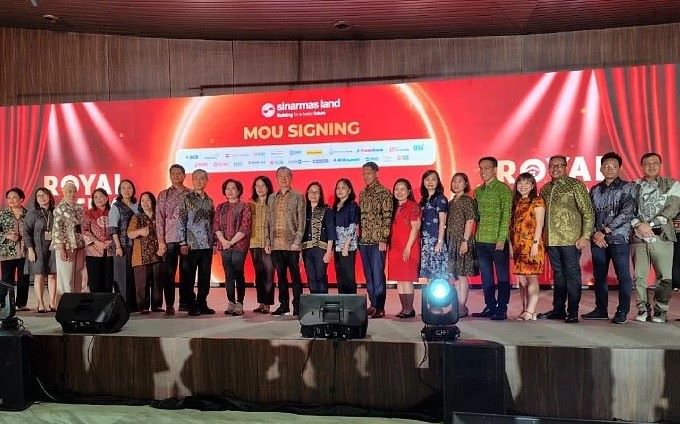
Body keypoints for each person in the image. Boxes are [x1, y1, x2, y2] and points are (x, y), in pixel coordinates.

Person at [537, 155, 594, 324]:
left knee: (572, 275)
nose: (555, 168)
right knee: (558, 275)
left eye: (559, 165)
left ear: (566, 167)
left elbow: (587, 212)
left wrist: (585, 236)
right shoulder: (545, 188)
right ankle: (558, 310)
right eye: (552, 166)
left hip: (571, 240)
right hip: (551, 240)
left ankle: (573, 311)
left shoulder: (575, 185)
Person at [582, 152, 636, 324]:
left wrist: (604, 231)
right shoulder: (595, 190)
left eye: (613, 166)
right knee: (599, 276)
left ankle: (622, 311)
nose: (609, 169)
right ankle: (601, 309)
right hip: (598, 240)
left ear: (619, 168)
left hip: (619, 239)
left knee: (623, 275)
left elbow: (626, 213)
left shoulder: (628, 187)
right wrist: (595, 234)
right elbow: (590, 214)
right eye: (606, 166)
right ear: (601, 169)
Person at [630, 152, 680, 323]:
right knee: (639, 277)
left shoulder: (672, 184)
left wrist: (649, 225)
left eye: (655, 163)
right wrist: (638, 225)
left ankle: (661, 310)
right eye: (647, 163)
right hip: (638, 237)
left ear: (660, 165)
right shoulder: (634, 186)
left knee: (664, 276)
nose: (651, 166)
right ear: (641, 166)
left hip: (663, 236)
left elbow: (672, 209)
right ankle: (642, 309)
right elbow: (628, 209)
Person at [471, 157, 513, 321]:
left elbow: (506, 215)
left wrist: (502, 238)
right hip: (481, 240)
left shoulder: (503, 189)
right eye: (481, 168)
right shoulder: (478, 191)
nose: (483, 171)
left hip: (497, 240)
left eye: (487, 168)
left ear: (495, 169)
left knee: (502, 276)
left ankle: (502, 309)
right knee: (486, 277)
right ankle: (490, 306)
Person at [266, 166, 306, 316]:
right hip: (276, 245)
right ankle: (283, 305)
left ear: (291, 177)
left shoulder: (298, 196)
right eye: (280, 176)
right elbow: (268, 221)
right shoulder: (271, 198)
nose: (283, 179)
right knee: (281, 277)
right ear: (276, 178)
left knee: (295, 277)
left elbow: (301, 221)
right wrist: (267, 241)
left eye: (286, 176)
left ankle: (298, 306)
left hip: (292, 245)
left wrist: (297, 241)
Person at [179, 169, 216, 316]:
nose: (199, 181)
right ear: (192, 180)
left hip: (206, 245)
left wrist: (214, 243)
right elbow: (181, 221)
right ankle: (191, 305)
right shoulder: (186, 199)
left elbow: (213, 223)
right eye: (196, 178)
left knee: (205, 277)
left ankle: (202, 303)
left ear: (206, 181)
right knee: (189, 277)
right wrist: (182, 242)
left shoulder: (209, 201)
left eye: (202, 178)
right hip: (191, 245)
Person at [358, 162, 393, 319]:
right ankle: (372, 304)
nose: (365, 176)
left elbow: (387, 216)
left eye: (368, 173)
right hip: (364, 240)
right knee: (369, 275)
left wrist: (384, 238)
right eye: (363, 174)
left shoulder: (384, 192)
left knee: (378, 274)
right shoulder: (362, 193)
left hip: (378, 240)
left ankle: (380, 306)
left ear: (376, 173)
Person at [509, 172, 545, 321]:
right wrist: (511, 246)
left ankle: (530, 311)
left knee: (531, 278)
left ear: (532, 186)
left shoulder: (537, 201)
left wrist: (535, 244)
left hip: (532, 245)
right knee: (522, 281)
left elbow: (540, 224)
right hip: (518, 246)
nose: (522, 186)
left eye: (526, 183)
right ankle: (525, 310)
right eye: (520, 183)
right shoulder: (516, 203)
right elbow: (512, 227)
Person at [156, 164, 190, 315]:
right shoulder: (164, 195)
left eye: (179, 173)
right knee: (168, 273)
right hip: (169, 239)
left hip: (187, 240)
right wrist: (161, 241)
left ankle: (185, 303)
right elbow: (159, 219)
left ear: (184, 175)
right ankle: (169, 304)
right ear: (170, 176)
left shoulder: (191, 194)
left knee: (186, 272)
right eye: (173, 173)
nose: (176, 176)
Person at [214, 179, 251, 316]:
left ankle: (239, 304)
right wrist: (224, 241)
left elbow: (245, 227)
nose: (229, 191)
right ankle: (231, 302)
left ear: (239, 191)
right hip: (224, 245)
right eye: (227, 188)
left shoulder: (244, 206)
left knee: (238, 273)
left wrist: (231, 242)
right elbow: (216, 225)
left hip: (239, 246)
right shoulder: (220, 207)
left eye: (233, 188)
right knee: (228, 275)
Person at [446, 173, 478, 318]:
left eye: (460, 181)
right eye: (454, 181)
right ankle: (457, 305)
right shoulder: (451, 202)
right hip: (452, 241)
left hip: (462, 241)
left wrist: (465, 241)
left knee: (462, 274)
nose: (456, 184)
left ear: (465, 184)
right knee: (456, 275)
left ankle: (462, 306)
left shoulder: (467, 200)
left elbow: (470, 221)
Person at [389, 179, 421, 318]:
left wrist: (408, 247)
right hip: (395, 248)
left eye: (402, 189)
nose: (399, 192)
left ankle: (410, 309)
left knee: (407, 278)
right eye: (396, 189)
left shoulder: (413, 206)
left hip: (409, 246)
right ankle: (404, 308)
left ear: (408, 191)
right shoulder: (394, 207)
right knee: (400, 279)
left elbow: (415, 228)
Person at [22, 187, 57, 312]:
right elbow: (26, 233)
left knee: (53, 275)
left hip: (54, 248)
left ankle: (53, 303)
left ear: (50, 196)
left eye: (44, 195)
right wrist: (30, 249)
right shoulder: (32, 213)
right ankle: (40, 304)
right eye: (39, 196)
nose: (42, 197)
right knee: (40, 275)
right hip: (37, 248)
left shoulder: (56, 212)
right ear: (36, 199)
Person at [127, 192, 163, 314]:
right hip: (141, 255)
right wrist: (140, 231)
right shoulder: (136, 217)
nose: (145, 203)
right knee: (142, 283)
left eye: (147, 200)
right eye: (142, 201)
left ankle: (157, 306)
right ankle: (143, 307)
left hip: (158, 253)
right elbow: (129, 234)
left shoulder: (159, 216)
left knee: (158, 281)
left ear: (152, 201)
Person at [51, 182, 86, 298]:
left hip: (80, 245)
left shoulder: (79, 207)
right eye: (69, 191)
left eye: (74, 191)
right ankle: (65, 303)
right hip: (66, 246)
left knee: (79, 275)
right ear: (64, 192)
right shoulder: (59, 208)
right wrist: (61, 248)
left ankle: (77, 301)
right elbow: (57, 229)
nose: (72, 194)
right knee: (66, 278)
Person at [301, 182, 336, 294]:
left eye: (316, 192)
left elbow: (331, 231)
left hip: (321, 249)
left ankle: (323, 301)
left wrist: (329, 252)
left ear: (320, 195)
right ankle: (315, 302)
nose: (313, 194)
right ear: (307, 194)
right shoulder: (303, 211)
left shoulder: (326, 210)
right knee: (311, 277)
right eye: (311, 191)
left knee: (321, 276)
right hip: (306, 249)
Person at [109, 179, 139, 310]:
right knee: (121, 276)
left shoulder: (137, 205)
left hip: (136, 245)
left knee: (133, 275)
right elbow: (113, 228)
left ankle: (134, 305)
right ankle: (122, 305)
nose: (127, 190)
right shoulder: (116, 207)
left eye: (129, 188)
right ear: (120, 191)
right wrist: (118, 246)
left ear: (133, 189)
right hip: (122, 245)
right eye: (124, 188)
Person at [0, 188, 29, 311]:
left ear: (21, 199)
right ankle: (5, 304)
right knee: (7, 278)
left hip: (25, 251)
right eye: (9, 198)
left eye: (14, 197)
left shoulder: (28, 214)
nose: (11, 200)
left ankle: (21, 304)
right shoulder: (3, 214)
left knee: (24, 278)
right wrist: (7, 235)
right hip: (7, 251)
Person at [249, 176, 275, 313]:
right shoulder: (250, 203)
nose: (260, 188)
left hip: (268, 244)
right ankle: (261, 302)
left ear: (268, 187)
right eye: (257, 186)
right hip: (254, 243)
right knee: (259, 274)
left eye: (262, 185)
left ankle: (268, 303)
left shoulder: (273, 202)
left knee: (269, 273)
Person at [82, 188, 114, 293]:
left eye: (101, 196)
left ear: (107, 198)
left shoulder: (113, 212)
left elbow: (118, 229)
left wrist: (112, 241)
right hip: (93, 252)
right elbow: (84, 230)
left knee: (108, 282)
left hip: (110, 251)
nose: (98, 199)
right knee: (95, 282)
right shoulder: (88, 213)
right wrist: (97, 242)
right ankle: (96, 303)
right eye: (95, 197)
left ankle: (108, 303)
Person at [419, 170, 449, 282]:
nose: (430, 182)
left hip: (436, 240)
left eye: (433, 179)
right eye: (427, 179)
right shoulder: (423, 199)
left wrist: (440, 241)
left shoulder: (441, 198)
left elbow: (442, 222)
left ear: (438, 182)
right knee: (429, 274)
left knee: (438, 274)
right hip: (425, 241)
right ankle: (429, 294)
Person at [332, 178, 360, 295]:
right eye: (338, 188)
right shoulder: (335, 206)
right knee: (340, 276)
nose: (340, 190)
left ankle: (351, 303)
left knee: (348, 276)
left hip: (348, 246)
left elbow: (353, 225)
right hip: (337, 246)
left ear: (349, 190)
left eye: (343, 188)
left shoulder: (352, 205)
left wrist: (346, 245)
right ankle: (342, 301)